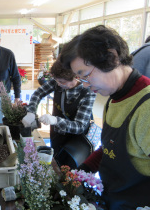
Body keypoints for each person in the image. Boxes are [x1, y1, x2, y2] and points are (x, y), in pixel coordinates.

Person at [59, 25, 150, 209]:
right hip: (113, 200)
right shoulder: (114, 98)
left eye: (85, 75)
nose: (84, 86)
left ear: (111, 58)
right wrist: (81, 172)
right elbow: (110, 149)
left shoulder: (145, 107)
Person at [22, 59, 96, 166]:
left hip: (74, 142)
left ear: (76, 77)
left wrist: (56, 120)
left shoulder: (88, 93)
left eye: (62, 82)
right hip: (57, 134)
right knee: (55, 160)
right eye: (57, 81)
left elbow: (80, 126)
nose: (59, 84)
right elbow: (38, 93)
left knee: (68, 169)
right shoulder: (58, 82)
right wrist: (31, 112)